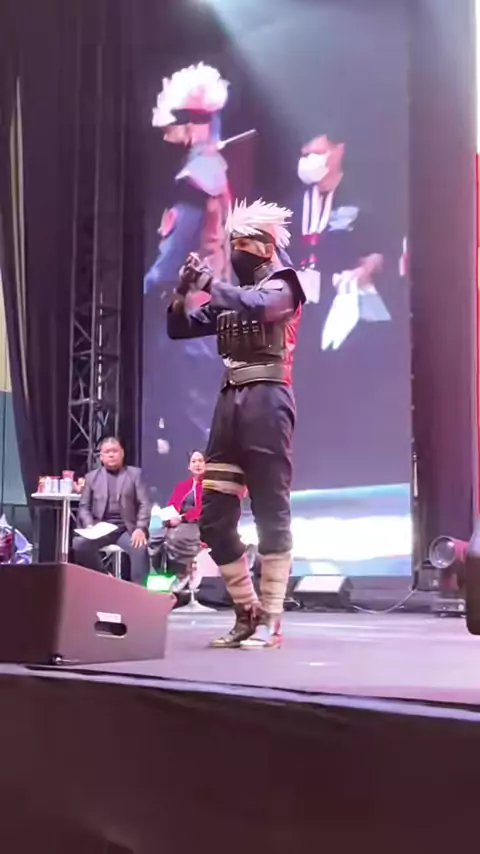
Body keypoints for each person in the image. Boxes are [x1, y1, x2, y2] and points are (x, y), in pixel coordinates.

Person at [167, 199, 306, 649]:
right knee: (213, 519)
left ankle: (271, 618)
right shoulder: (232, 296)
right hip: (229, 405)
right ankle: (246, 611)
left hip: (267, 401)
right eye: (232, 243)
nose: (235, 251)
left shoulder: (285, 284)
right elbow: (179, 328)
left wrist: (210, 283)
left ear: (265, 246)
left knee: (270, 511)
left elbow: (258, 304)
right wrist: (184, 290)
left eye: (242, 243)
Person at [73, 438, 151, 584]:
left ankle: (139, 590)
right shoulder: (92, 477)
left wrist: (140, 528)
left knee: (140, 547)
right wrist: (90, 526)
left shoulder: (135, 474)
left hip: (126, 529)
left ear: (122, 453)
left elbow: (144, 504)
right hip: (101, 529)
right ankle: (104, 578)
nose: (111, 455)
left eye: (115, 451)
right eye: (107, 452)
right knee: (79, 544)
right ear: (101, 457)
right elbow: (84, 506)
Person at [149, 450, 205, 576]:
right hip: (176, 522)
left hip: (197, 524)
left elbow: (204, 509)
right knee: (153, 534)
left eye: (201, 461)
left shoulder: (210, 487)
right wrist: (168, 519)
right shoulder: (182, 486)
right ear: (189, 466)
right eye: (194, 461)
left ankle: (180, 574)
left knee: (174, 538)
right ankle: (157, 572)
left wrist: (182, 518)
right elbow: (173, 505)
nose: (197, 464)